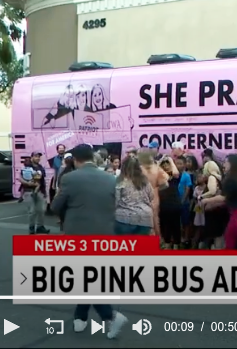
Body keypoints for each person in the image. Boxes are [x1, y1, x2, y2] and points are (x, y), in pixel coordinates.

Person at [49, 144, 128, 338]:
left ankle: (109, 315)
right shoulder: (111, 179)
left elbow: (55, 207)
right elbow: (118, 204)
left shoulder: (69, 178)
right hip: (105, 235)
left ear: (75, 160)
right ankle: (80, 316)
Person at [115, 155, 158, 235]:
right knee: (141, 247)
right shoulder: (145, 181)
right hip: (145, 218)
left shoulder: (120, 181)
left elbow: (116, 201)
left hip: (124, 219)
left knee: (126, 246)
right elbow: (151, 196)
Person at [19, 151, 50, 234]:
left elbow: (40, 178)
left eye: (39, 156)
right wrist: (27, 183)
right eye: (36, 156)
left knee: (41, 210)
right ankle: (31, 227)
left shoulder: (40, 167)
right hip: (28, 191)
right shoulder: (27, 167)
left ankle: (40, 226)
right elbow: (21, 177)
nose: (38, 158)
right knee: (32, 211)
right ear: (32, 157)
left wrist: (44, 192)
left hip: (40, 191)